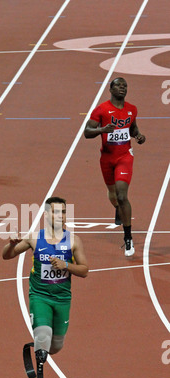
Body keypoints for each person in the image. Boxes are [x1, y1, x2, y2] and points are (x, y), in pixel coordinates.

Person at [2, 197, 88, 367]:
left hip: (62, 299)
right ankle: (40, 348)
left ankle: (42, 346)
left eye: (63, 212)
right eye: (56, 212)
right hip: (39, 296)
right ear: (47, 215)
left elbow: (84, 270)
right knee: (43, 335)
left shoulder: (74, 241)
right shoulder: (34, 238)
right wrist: (11, 245)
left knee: (55, 346)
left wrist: (66, 265)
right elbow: (6, 255)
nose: (61, 216)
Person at [84, 77, 146, 256]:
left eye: (125, 86)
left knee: (121, 194)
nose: (122, 88)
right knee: (113, 196)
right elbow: (87, 132)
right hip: (107, 158)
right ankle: (117, 209)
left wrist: (139, 136)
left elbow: (132, 128)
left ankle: (128, 238)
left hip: (125, 156)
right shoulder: (101, 109)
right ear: (110, 89)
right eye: (119, 85)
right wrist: (101, 130)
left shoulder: (131, 109)